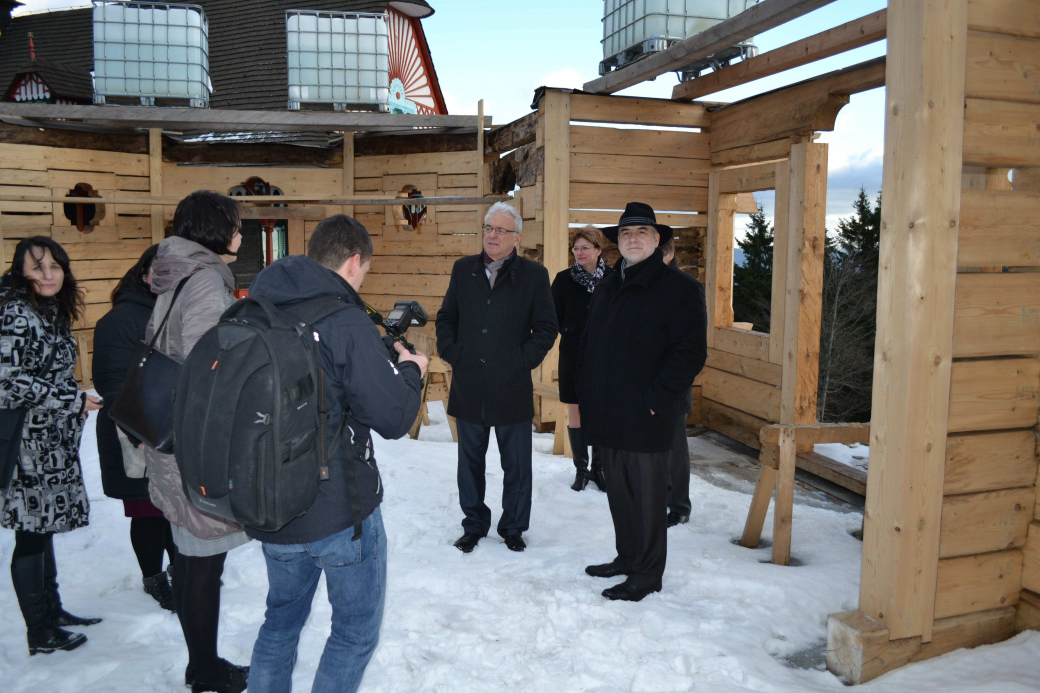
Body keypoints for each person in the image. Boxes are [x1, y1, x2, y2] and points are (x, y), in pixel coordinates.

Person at [246, 214, 427, 693]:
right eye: (364, 270)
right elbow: (391, 418)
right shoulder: (345, 322)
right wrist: (412, 371)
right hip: (338, 512)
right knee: (353, 634)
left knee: (280, 623)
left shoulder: (258, 308)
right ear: (353, 262)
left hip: (272, 502)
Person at [144, 191, 250, 693]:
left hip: (169, 435)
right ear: (214, 228)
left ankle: (198, 663)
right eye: (235, 224)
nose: (240, 233)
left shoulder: (174, 268)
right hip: (195, 442)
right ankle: (204, 672)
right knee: (203, 561)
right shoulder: (206, 277)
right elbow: (208, 366)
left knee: (189, 558)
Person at [578, 202, 707, 602]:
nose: (633, 239)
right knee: (618, 492)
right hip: (608, 410)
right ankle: (628, 557)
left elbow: (690, 353)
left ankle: (647, 574)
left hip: (647, 414)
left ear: (656, 241)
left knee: (649, 499)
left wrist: (656, 400)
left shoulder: (680, 289)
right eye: (626, 234)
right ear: (618, 243)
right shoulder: (608, 284)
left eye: (641, 233)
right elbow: (593, 345)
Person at [1, 237, 104, 655]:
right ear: (19, 271)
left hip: (51, 442)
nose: (48, 275)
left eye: (55, 267)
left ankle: (53, 610)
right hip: (27, 447)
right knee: (31, 533)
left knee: (41, 530)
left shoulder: (48, 310)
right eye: (38, 267)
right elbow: (6, 382)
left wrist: (72, 404)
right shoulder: (16, 313)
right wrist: (72, 400)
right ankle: (38, 629)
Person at [436, 201, 557, 553]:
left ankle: (513, 528)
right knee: (469, 465)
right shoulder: (463, 270)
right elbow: (447, 318)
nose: (491, 235)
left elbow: (547, 328)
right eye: (488, 227)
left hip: (511, 386)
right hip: (470, 384)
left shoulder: (534, 276)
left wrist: (522, 361)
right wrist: (454, 352)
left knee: (517, 466)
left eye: (500, 230)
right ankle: (474, 524)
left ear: (516, 238)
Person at [92, 245, 179, 611]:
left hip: (172, 427)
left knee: (176, 509)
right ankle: (154, 578)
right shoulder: (121, 319)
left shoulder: (177, 312)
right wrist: (139, 432)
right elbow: (110, 384)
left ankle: (183, 568)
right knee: (148, 512)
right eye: (160, 270)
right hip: (135, 432)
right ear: (144, 272)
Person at [551, 226, 612, 492]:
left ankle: (599, 469)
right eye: (576, 248)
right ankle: (581, 469)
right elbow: (554, 316)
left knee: (599, 409)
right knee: (574, 410)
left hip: (604, 354)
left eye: (585, 248)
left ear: (599, 250)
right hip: (573, 353)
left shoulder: (613, 278)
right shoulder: (563, 279)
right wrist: (569, 330)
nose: (579, 253)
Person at [659, 238, 693, 527]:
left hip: (672, 382)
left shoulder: (686, 288)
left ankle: (679, 505)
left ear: (670, 254)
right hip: (642, 383)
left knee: (674, 446)